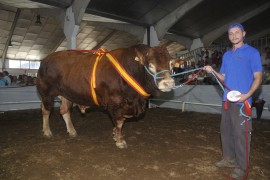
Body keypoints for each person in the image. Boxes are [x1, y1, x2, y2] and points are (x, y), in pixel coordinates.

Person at [203, 23, 263, 179]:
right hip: (227, 101)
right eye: (231, 33)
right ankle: (228, 159)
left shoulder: (252, 52)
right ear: (229, 36)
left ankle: (242, 167)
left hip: (242, 102)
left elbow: (258, 77)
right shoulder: (227, 55)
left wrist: (248, 94)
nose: (234, 36)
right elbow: (223, 77)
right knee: (226, 132)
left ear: (243, 34)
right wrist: (213, 71)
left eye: (237, 32)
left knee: (241, 135)